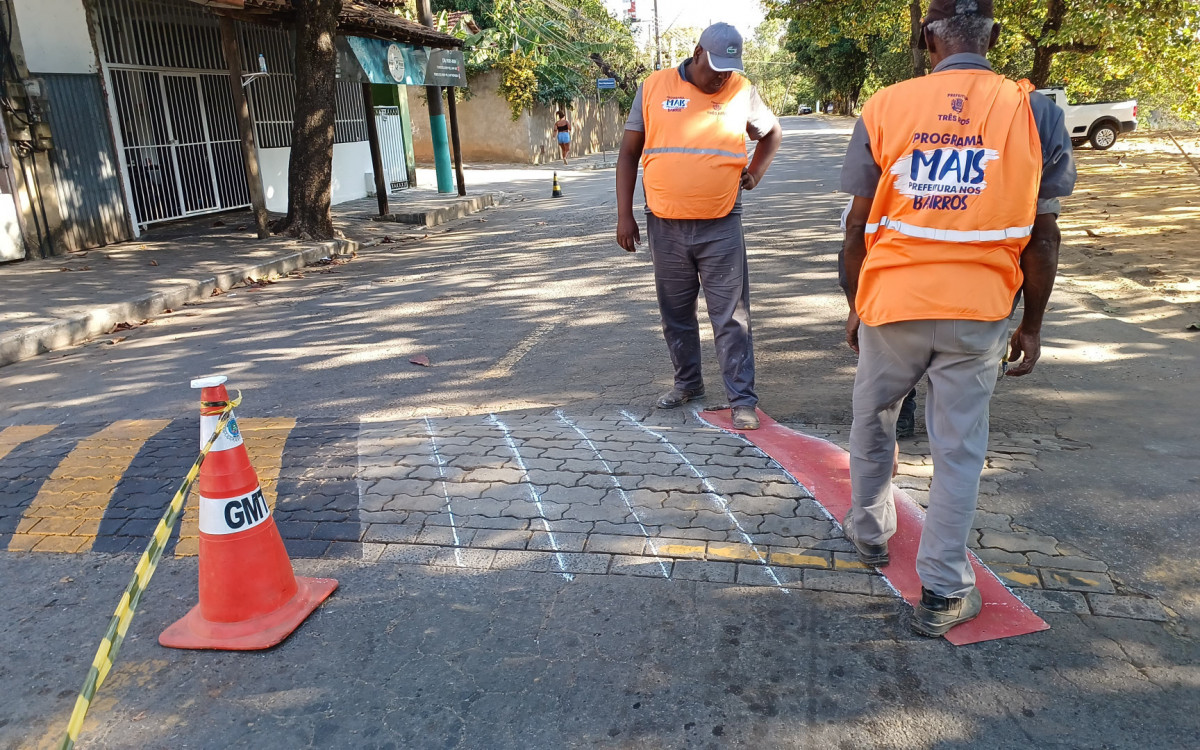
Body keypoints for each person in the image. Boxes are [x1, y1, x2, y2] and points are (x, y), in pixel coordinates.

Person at [839, 0, 1076, 637]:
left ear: (928, 39)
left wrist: (856, 306)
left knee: (874, 419)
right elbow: (1043, 237)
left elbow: (857, 227)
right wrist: (1032, 323)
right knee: (958, 452)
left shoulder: (886, 105)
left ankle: (867, 534)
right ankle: (943, 590)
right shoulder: (1037, 111)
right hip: (979, 313)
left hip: (893, 303)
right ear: (995, 36)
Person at [615, 22, 783, 430]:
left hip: (721, 222)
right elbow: (628, 154)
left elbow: (771, 133)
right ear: (696, 53)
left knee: (731, 316)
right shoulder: (653, 87)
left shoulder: (741, 89)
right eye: (715, 67)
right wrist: (625, 214)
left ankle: (742, 400)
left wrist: (755, 173)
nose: (722, 76)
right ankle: (687, 383)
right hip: (665, 223)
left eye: (729, 67)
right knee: (675, 312)